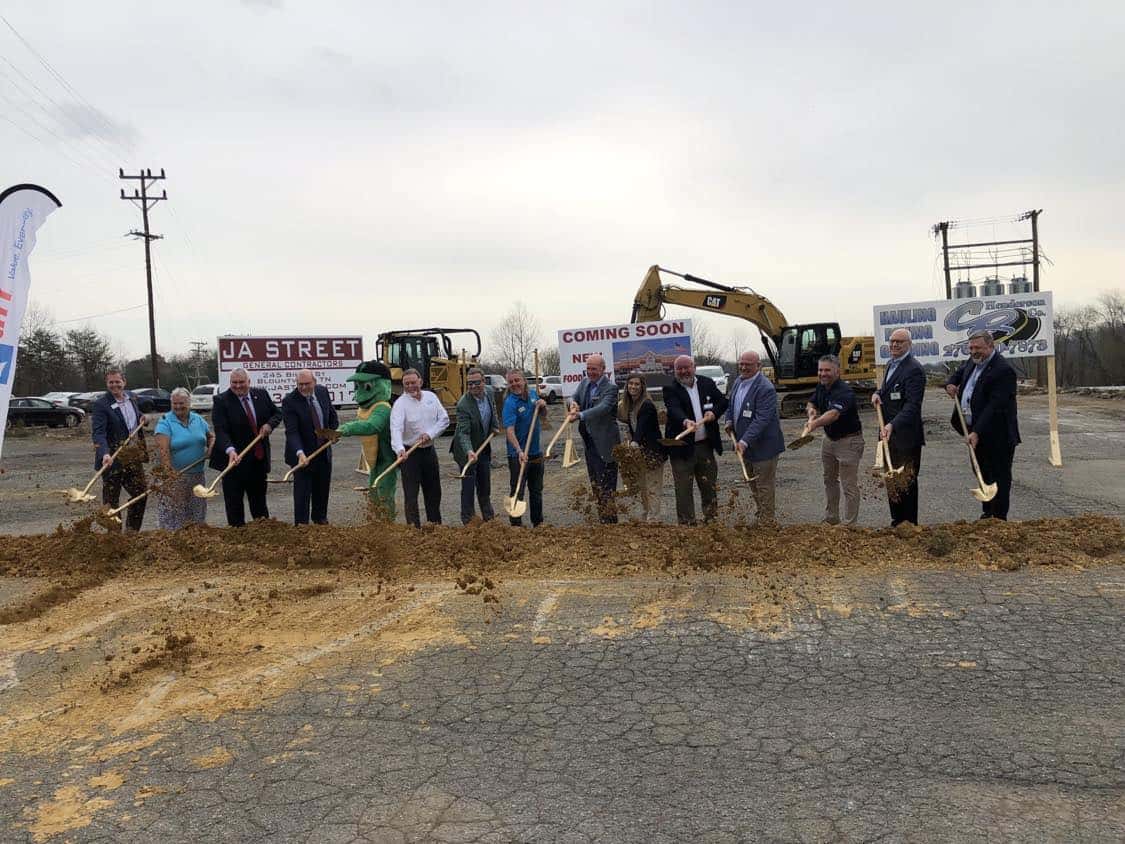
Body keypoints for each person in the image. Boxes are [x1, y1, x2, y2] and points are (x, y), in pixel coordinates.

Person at [945, 329, 1021, 520]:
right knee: (983, 474)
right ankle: (987, 514)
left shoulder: (1003, 371)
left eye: (977, 348)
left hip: (997, 435)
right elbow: (959, 373)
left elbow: (995, 406)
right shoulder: (973, 361)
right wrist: (951, 384)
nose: (973, 351)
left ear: (990, 345)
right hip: (973, 432)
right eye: (970, 348)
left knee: (999, 478)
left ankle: (999, 518)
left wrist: (977, 431)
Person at [209, 367, 282, 527]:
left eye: (241, 382)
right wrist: (230, 450)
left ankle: (262, 534)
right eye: (234, 382)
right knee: (234, 505)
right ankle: (237, 539)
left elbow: (277, 414)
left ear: (249, 382)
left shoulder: (261, 395)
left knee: (259, 504)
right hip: (233, 462)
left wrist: (269, 425)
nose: (237, 386)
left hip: (257, 460)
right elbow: (221, 430)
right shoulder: (221, 401)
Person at [662, 355, 729, 524]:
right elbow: (673, 408)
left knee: (708, 485)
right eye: (680, 369)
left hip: (705, 446)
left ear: (694, 367)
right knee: (683, 488)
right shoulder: (670, 388)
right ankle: (687, 523)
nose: (684, 371)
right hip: (682, 447)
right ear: (675, 371)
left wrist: (714, 412)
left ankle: (711, 520)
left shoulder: (707, 383)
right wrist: (685, 421)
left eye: (687, 367)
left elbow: (723, 402)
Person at [724, 351, 785, 525]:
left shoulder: (765, 388)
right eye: (741, 364)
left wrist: (743, 441)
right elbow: (731, 404)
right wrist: (729, 420)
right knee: (753, 484)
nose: (743, 367)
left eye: (748, 364)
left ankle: (767, 522)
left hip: (764, 447)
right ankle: (762, 514)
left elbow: (762, 419)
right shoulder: (738, 382)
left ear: (758, 366)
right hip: (746, 447)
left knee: (764, 486)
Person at [872, 328, 926, 525]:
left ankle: (909, 524)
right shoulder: (890, 364)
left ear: (909, 345)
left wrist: (893, 424)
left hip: (905, 437)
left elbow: (913, 405)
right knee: (892, 480)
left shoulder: (914, 370)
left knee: (907, 481)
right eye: (892, 341)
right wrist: (878, 393)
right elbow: (889, 390)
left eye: (899, 342)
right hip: (889, 435)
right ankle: (897, 521)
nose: (894, 345)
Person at [806, 355, 864, 525]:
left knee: (848, 485)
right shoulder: (822, 387)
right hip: (829, 440)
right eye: (820, 370)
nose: (823, 373)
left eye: (827, 370)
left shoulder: (844, 392)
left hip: (849, 441)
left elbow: (833, 414)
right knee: (829, 480)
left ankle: (849, 525)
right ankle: (832, 518)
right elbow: (811, 402)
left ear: (837, 371)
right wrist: (811, 412)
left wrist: (814, 424)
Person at [90, 367, 149, 531]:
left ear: (124, 382)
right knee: (111, 502)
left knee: (141, 494)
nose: (114, 385)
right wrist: (105, 454)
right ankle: (114, 537)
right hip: (112, 460)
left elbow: (132, 418)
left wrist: (143, 418)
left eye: (117, 382)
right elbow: (98, 433)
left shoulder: (131, 398)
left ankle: (132, 532)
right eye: (111, 382)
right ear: (107, 383)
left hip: (132, 458)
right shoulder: (101, 404)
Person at [390, 367, 450, 527]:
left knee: (434, 492)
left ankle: (435, 526)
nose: (410, 386)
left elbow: (444, 420)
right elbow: (396, 429)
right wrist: (399, 449)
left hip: (429, 452)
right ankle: (413, 530)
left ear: (420, 382)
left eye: (413, 383)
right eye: (406, 384)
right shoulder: (399, 404)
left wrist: (430, 434)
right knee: (411, 495)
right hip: (410, 454)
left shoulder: (431, 397)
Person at [567, 353, 621, 523]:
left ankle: (610, 521)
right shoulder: (584, 383)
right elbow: (573, 398)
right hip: (589, 442)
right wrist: (573, 404)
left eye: (594, 369)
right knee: (595, 482)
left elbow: (603, 408)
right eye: (588, 368)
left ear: (603, 370)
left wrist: (580, 415)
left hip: (606, 443)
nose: (590, 372)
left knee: (607, 484)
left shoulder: (610, 388)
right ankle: (602, 518)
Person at [282, 369, 339, 525]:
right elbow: (292, 432)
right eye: (300, 384)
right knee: (302, 496)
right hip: (302, 457)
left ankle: (321, 521)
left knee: (322, 492)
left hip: (323, 453)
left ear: (314, 382)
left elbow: (332, 417)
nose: (303, 388)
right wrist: (300, 453)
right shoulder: (289, 401)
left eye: (307, 384)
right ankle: (301, 527)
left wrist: (333, 434)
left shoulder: (322, 392)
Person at [153, 387, 214, 529]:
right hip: (175, 477)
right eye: (175, 403)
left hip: (197, 475)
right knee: (174, 515)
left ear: (189, 403)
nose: (178, 406)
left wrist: (211, 447)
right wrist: (170, 475)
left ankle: (194, 542)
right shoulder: (165, 421)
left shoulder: (198, 419)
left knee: (196, 513)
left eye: (182, 403)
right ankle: (172, 545)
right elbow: (163, 451)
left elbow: (211, 436)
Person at [451, 367, 499, 524]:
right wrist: (469, 451)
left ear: (484, 382)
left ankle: (489, 519)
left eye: (476, 383)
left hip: (483, 446)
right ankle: (468, 521)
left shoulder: (490, 392)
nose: (472, 387)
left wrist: (495, 425)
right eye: (469, 384)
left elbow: (493, 409)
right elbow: (463, 433)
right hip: (466, 449)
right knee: (469, 486)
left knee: (484, 484)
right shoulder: (463, 405)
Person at [502, 368, 547, 527]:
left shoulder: (533, 395)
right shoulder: (510, 403)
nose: (515, 384)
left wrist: (543, 405)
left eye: (517, 380)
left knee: (536, 491)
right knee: (517, 490)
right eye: (511, 382)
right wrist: (519, 450)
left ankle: (538, 523)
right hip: (517, 455)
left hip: (535, 452)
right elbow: (509, 430)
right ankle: (516, 525)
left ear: (524, 381)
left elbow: (543, 416)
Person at [616, 373, 665, 521]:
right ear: (626, 386)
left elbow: (641, 427)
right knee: (643, 487)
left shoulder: (647, 405)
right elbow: (627, 425)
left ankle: (654, 518)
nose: (633, 387)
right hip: (639, 453)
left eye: (637, 384)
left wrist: (635, 442)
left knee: (653, 487)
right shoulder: (628, 405)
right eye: (631, 384)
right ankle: (646, 514)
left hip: (653, 452)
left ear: (642, 387)